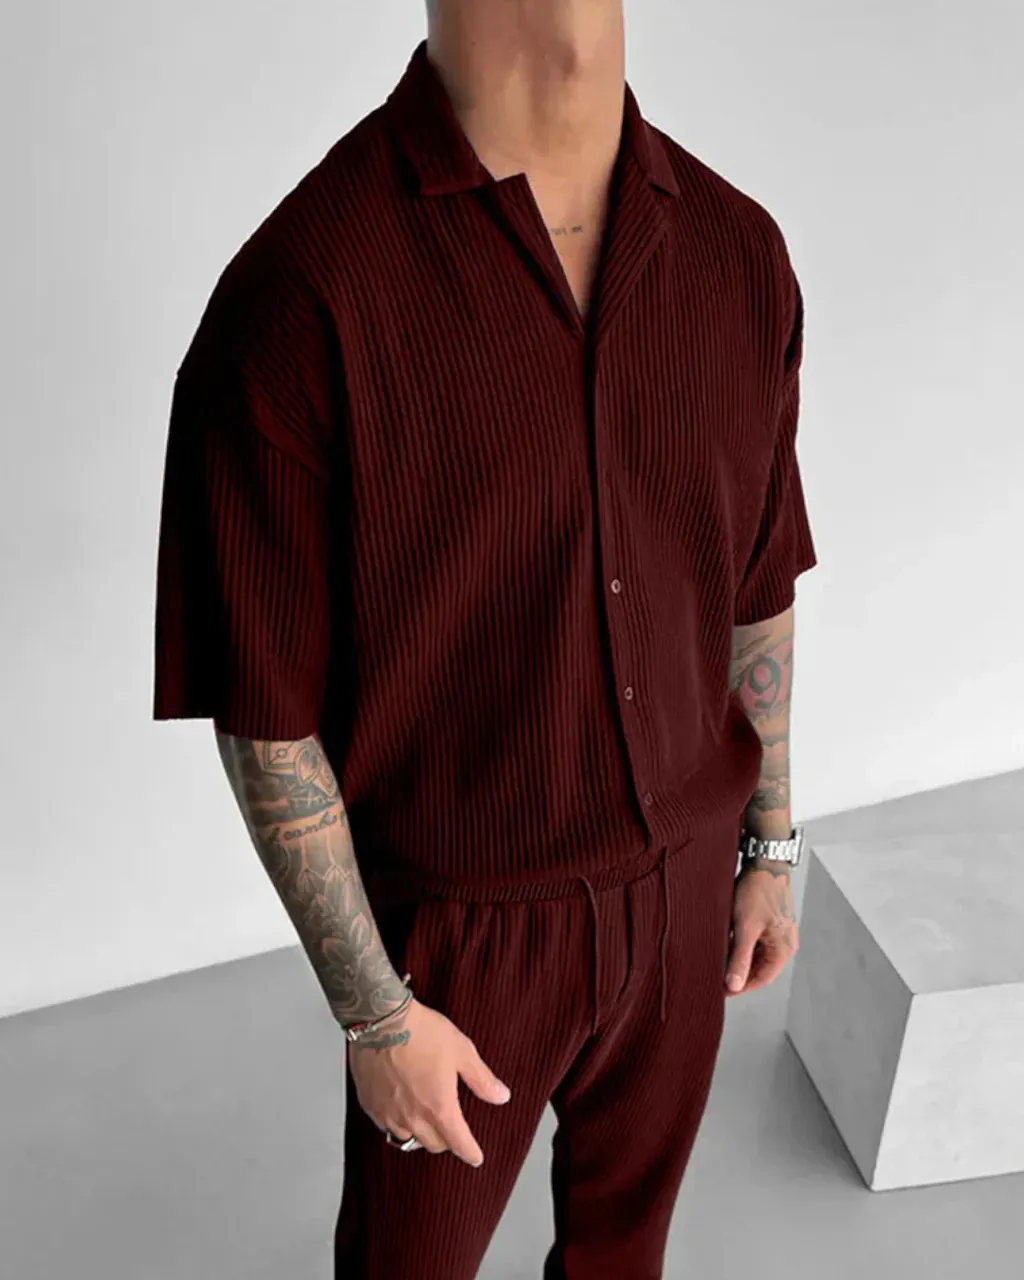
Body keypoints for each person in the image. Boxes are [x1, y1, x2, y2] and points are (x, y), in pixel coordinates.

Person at [152, 2, 818, 1276]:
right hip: (459, 937)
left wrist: (769, 840)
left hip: (685, 894)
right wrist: (374, 1012)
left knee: (625, 1256)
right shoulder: (301, 294)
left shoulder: (737, 251)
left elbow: (758, 575)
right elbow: (266, 713)